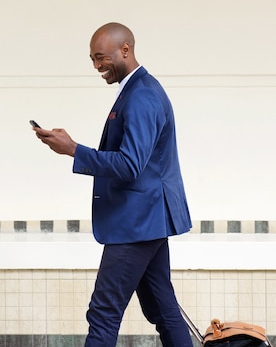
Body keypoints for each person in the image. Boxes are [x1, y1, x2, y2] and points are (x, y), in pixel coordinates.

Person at [32, 22, 193, 347]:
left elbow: (131, 165)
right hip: (148, 220)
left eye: (101, 57)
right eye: (92, 59)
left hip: (137, 223)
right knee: (163, 309)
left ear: (125, 50)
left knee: (104, 313)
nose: (97, 66)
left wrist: (74, 150)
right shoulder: (138, 91)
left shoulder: (142, 95)